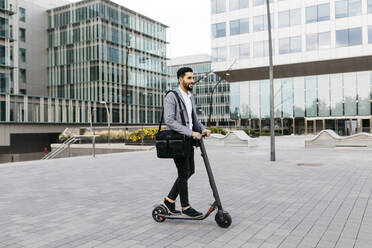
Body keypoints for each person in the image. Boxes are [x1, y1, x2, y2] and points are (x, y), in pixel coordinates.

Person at [162, 67, 211, 218]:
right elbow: (169, 120)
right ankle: (185, 207)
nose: (192, 81)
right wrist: (191, 132)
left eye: (192, 78)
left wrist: (203, 129)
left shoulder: (190, 96)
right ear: (180, 79)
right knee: (183, 173)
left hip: (188, 141)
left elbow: (194, 120)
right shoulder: (172, 96)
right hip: (177, 141)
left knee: (190, 171)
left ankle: (169, 201)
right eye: (189, 78)